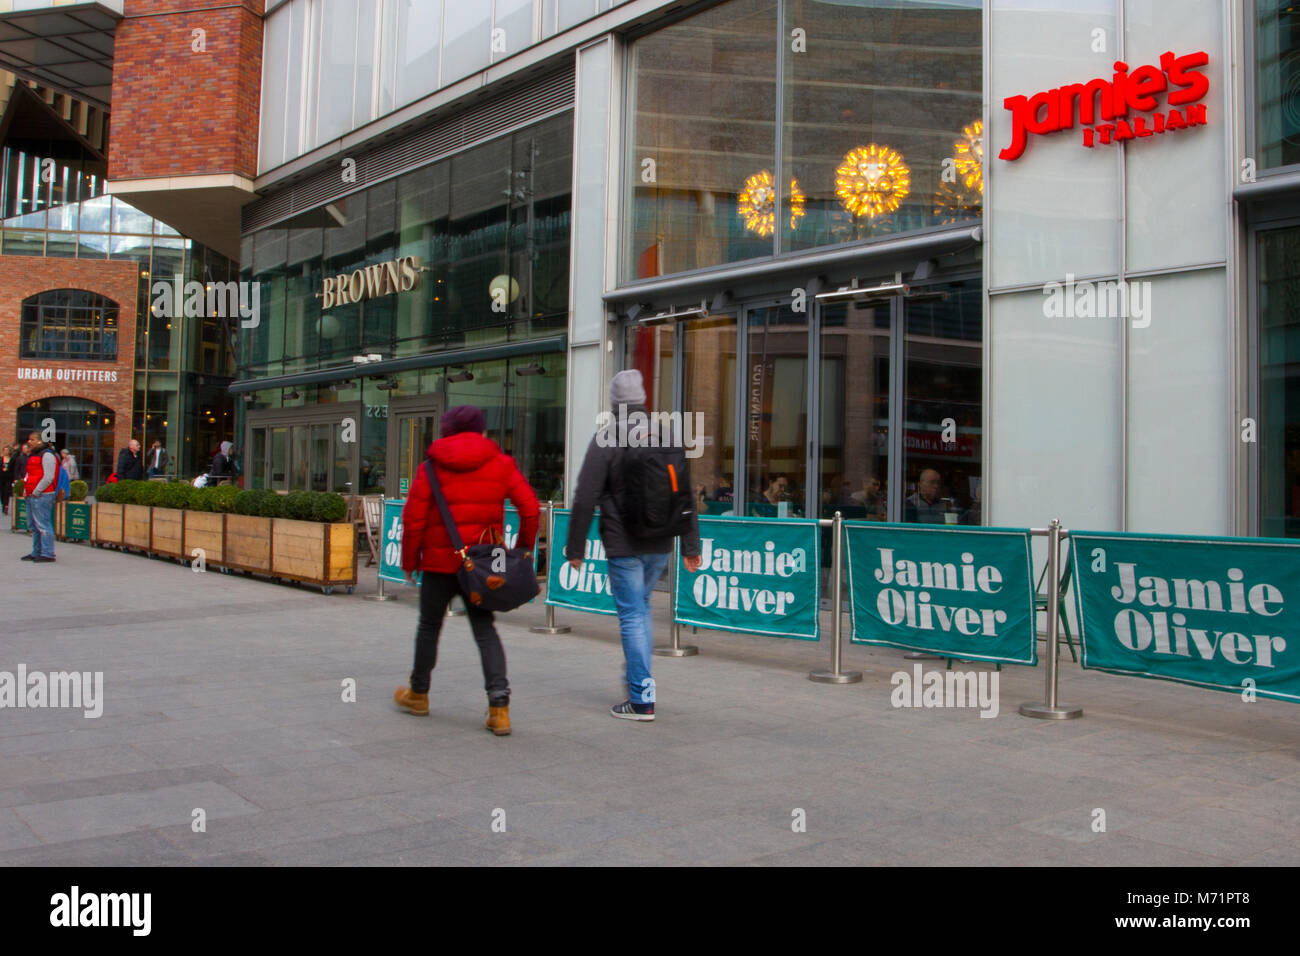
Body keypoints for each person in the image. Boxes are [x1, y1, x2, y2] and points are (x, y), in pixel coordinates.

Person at [394, 405, 539, 736]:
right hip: (484, 565)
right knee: (485, 630)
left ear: (446, 430)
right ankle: (499, 708)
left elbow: (413, 519)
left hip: (439, 563)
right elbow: (530, 510)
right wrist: (523, 549)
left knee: (429, 626)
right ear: (481, 431)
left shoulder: (430, 468)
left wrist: (409, 562)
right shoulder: (501, 463)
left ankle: (418, 694)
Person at [567, 369, 702, 722]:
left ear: (614, 403)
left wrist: (574, 548)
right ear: (643, 400)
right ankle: (635, 684)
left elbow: (585, 496)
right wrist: (691, 545)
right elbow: (684, 493)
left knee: (632, 615)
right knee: (640, 610)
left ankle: (642, 697)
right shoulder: (667, 434)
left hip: (622, 542)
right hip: (660, 542)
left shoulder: (607, 437)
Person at [22, 432, 60, 563]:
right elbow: (29, 473)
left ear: (39, 441)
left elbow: (48, 477)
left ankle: (48, 553)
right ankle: (36, 551)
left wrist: (37, 491)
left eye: (32, 439)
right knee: (33, 525)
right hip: (32, 494)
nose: (29, 442)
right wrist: (25, 489)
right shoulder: (34, 455)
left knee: (43, 525)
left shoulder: (47, 455)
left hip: (42, 494)